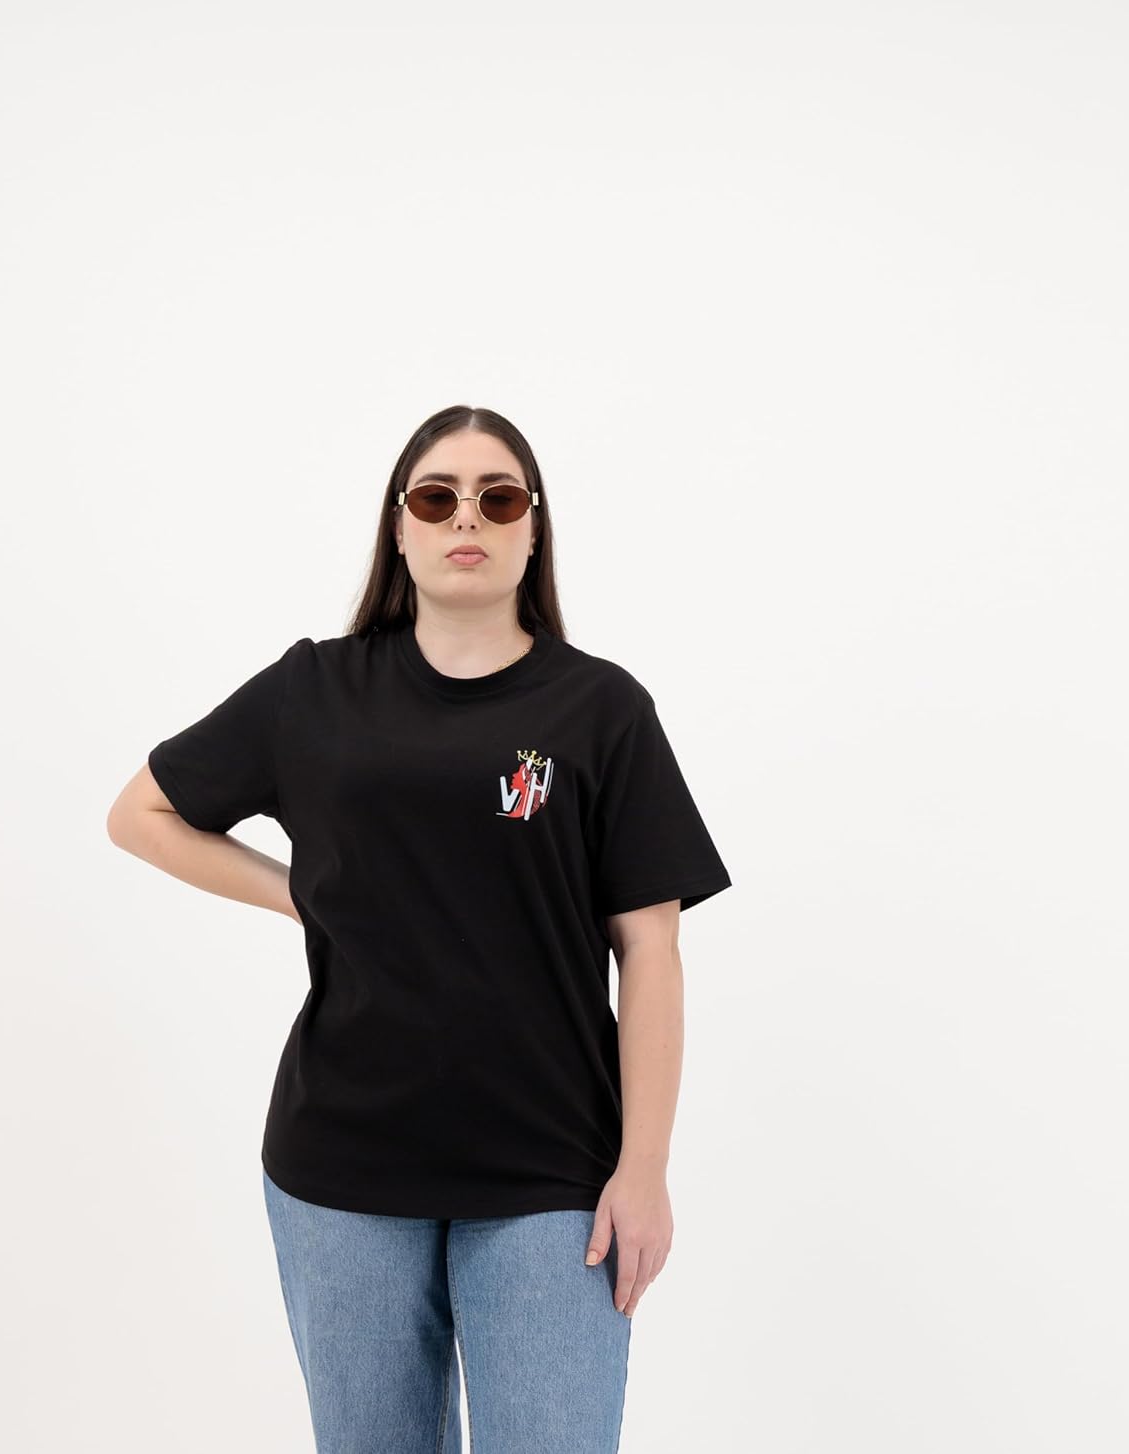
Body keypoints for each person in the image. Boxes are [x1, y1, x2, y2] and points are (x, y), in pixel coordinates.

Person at [107, 404, 732, 1453]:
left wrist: (646, 1166)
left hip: (550, 1173)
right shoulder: (315, 689)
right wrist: (302, 893)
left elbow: (651, 950)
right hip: (343, 1168)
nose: (466, 517)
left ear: (534, 527)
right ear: (399, 528)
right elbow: (142, 815)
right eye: (437, 497)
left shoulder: (601, 710)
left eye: (499, 497)